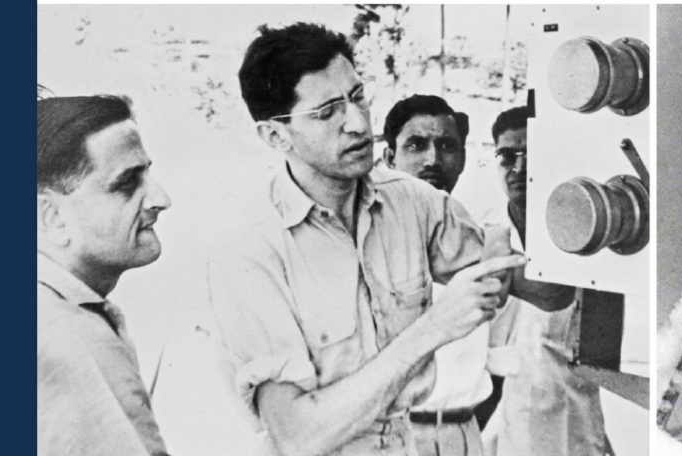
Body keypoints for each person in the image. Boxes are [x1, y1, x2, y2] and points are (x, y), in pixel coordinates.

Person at [207, 23, 570, 456]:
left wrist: (535, 216)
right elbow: (297, 435)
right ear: (275, 135)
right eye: (327, 112)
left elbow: (553, 292)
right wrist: (435, 327)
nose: (357, 123)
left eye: (357, 96)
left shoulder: (413, 202)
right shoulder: (249, 249)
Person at [36, 95, 173, 456]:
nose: (161, 199)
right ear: (51, 216)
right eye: (127, 183)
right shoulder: (66, 333)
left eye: (148, 174)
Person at [479, 106, 613, 456]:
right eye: (507, 156)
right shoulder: (482, 236)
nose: (519, 168)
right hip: (501, 426)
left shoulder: (586, 245)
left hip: (576, 427)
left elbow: (602, 359)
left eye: (531, 155)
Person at [380, 95, 490, 456]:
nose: (433, 159)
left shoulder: (478, 239)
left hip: (463, 434)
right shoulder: (368, 238)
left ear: (463, 159)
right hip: (393, 437)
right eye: (416, 145)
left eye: (446, 146)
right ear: (389, 158)